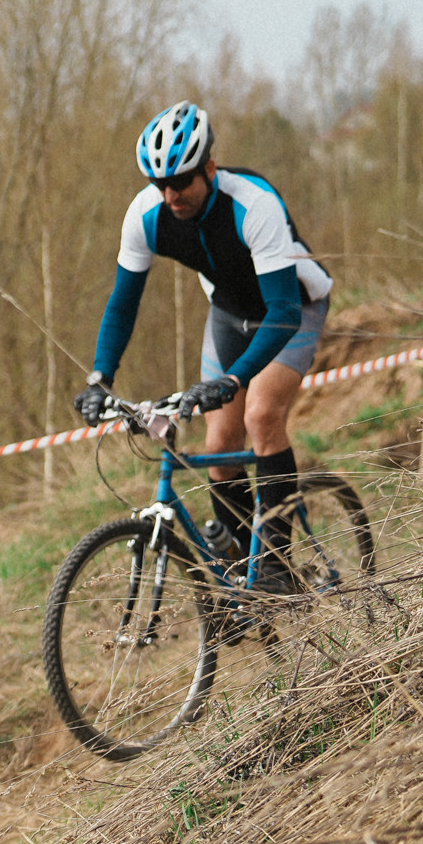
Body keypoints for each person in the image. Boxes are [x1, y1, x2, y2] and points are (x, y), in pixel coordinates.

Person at [73, 101, 337, 593]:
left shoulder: (253, 203)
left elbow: (281, 311)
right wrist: (99, 378)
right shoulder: (145, 216)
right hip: (228, 314)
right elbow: (123, 304)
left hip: (292, 309)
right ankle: (243, 575)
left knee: (260, 416)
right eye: (161, 185)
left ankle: (277, 566)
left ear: (209, 169)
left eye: (181, 182)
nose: (171, 195)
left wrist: (233, 379)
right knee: (219, 448)